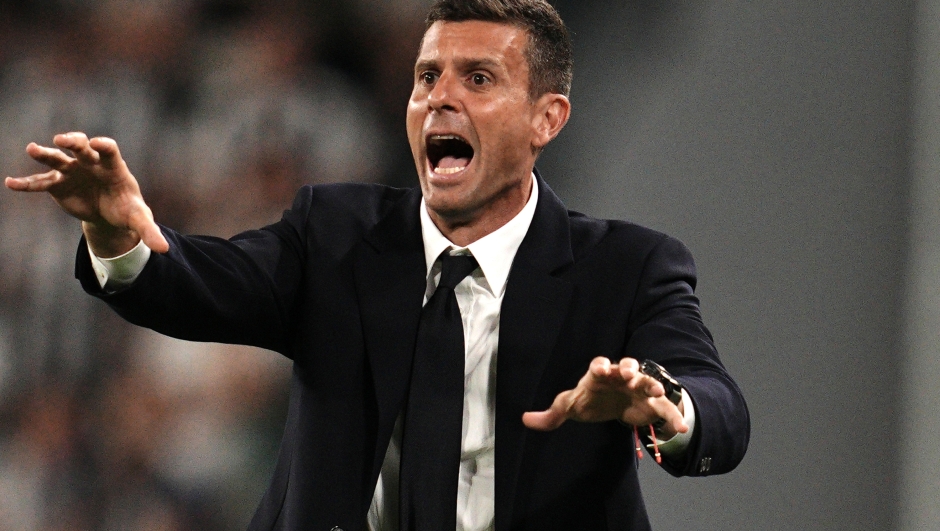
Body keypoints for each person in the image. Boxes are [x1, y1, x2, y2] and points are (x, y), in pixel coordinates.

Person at [5, 0, 750, 529]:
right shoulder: (334, 235)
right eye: (427, 77)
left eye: (478, 79)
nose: (439, 100)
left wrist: (667, 407)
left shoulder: (624, 266)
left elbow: (719, 406)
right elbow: (190, 282)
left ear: (545, 118)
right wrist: (115, 231)